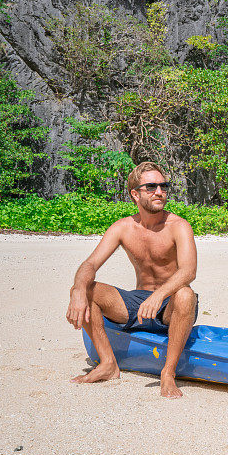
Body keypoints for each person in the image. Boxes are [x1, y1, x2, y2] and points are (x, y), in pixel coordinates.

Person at [66, 162, 198, 398]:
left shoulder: (178, 226)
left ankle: (168, 373)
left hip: (171, 305)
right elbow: (90, 265)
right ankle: (108, 364)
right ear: (135, 194)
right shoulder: (123, 227)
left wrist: (159, 296)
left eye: (163, 186)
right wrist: (77, 291)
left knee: (186, 293)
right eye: (151, 187)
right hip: (137, 304)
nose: (160, 192)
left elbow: (188, 271)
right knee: (86, 288)